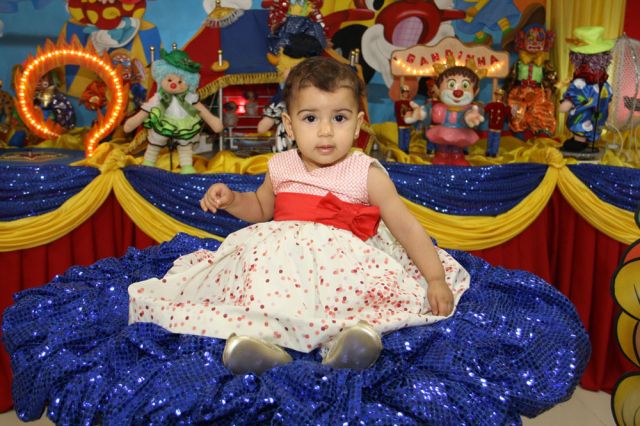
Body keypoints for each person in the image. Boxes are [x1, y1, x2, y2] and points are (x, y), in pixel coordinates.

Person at [128, 56, 470, 375]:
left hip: (343, 267)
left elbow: (407, 228)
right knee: (261, 288)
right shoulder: (281, 166)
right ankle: (267, 349)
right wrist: (232, 200)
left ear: (357, 125)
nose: (325, 131)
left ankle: (344, 345)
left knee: (351, 299)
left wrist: (435, 279)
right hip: (284, 265)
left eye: (339, 118)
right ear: (289, 126)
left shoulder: (366, 172)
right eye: (310, 118)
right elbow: (261, 208)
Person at [124, 48, 223, 174]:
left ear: (189, 83)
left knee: (185, 144)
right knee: (155, 141)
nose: (174, 84)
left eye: (180, 81)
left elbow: (201, 109)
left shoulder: (189, 97)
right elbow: (146, 109)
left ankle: (186, 166)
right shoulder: (160, 97)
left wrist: (213, 121)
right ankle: (149, 162)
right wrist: (133, 122)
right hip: (163, 121)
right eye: (169, 80)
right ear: (162, 78)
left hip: (184, 122)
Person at [560, 26, 614, 156]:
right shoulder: (604, 83)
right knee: (592, 117)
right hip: (598, 117)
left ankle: (579, 140)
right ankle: (583, 139)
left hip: (584, 117)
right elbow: (608, 98)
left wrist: (565, 104)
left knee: (582, 117)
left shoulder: (582, 83)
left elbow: (574, 97)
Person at [426, 59, 485, 166]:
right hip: (444, 130)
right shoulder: (440, 107)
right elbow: (436, 119)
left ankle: (457, 157)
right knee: (443, 147)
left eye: (465, 86)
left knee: (457, 148)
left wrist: (470, 116)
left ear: (475, 91)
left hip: (460, 132)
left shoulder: (469, 108)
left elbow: (475, 113)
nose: (458, 92)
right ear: (438, 89)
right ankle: (441, 157)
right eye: (451, 84)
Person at [484, 88, 510, 157]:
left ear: (502, 97)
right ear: (495, 96)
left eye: (500, 95)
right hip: (491, 126)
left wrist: (510, 108)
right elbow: (485, 110)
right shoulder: (491, 104)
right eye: (497, 95)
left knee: (496, 140)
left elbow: (508, 113)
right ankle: (488, 151)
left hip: (498, 127)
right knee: (490, 139)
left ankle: (494, 152)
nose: (498, 96)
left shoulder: (504, 106)